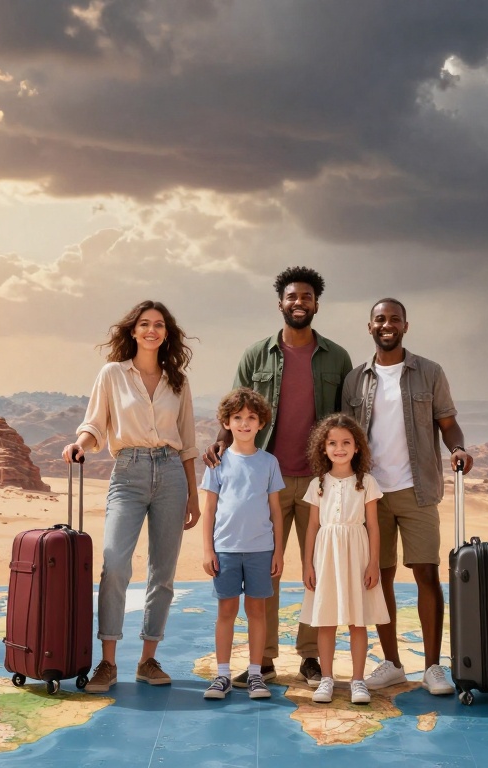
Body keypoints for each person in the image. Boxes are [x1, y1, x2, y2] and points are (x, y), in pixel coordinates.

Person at [203, 266, 352, 688]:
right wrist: (218, 442)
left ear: (316, 304)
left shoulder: (337, 358)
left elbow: (345, 420)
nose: (299, 303)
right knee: (264, 571)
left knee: (317, 569)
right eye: (292, 297)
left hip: (319, 480)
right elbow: (236, 405)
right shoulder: (256, 355)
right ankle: (262, 660)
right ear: (280, 304)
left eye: (307, 297)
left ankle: (310, 656)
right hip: (265, 478)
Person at [63, 300, 201, 694]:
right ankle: (107, 663)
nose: (151, 330)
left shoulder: (179, 381)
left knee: (163, 572)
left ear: (166, 333)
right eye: (144, 324)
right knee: (116, 565)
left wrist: (193, 497)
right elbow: (95, 424)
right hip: (128, 471)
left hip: (172, 474)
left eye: (159, 325)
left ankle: (147, 660)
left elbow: (188, 443)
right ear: (133, 331)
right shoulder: (112, 374)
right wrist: (81, 444)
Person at [342, 298, 472, 696]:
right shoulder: (354, 380)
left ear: (405, 326)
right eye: (380, 319)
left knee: (426, 574)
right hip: (371, 495)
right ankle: (393, 663)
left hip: (418, 491)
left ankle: (433, 667)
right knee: (378, 580)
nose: (387, 325)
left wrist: (458, 449)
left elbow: (448, 424)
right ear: (370, 327)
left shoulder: (429, 372)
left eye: (394, 319)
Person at [199, 388, 286, 701]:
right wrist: (208, 550)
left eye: (251, 418)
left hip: (261, 551)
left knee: (257, 611)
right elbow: (209, 509)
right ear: (227, 421)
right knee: (226, 610)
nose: (245, 423)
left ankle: (254, 675)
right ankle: (222, 675)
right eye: (238, 417)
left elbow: (276, 510)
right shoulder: (218, 463)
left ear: (261, 423)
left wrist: (278, 551)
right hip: (225, 550)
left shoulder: (269, 462)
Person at [300, 413, 388, 705]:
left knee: (357, 620)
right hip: (326, 556)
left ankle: (358, 681)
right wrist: (307, 564)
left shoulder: (367, 483)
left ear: (357, 446)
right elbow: (312, 526)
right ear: (323, 448)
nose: (340, 448)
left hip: (357, 554)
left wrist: (374, 562)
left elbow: (373, 526)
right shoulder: (318, 484)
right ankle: (326, 679)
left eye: (346, 442)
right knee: (325, 619)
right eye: (333, 443)